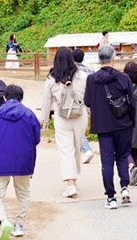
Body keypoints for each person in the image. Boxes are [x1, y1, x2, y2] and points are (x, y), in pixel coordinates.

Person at [0, 84, 40, 240]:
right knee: (23, 193)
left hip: (0, 159)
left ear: (4, 97)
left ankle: (3, 221)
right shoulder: (29, 114)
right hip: (24, 160)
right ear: (21, 98)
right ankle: (19, 225)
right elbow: (36, 138)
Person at [84, 44, 136, 210]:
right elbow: (132, 102)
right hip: (123, 124)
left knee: (107, 162)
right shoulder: (124, 78)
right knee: (122, 156)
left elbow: (87, 101)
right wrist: (133, 122)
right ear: (113, 58)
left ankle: (111, 197)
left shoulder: (91, 79)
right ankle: (125, 187)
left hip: (103, 126)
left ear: (99, 60)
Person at [40, 47, 88, 198]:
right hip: (80, 115)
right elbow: (87, 97)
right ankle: (74, 178)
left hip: (61, 117)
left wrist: (45, 119)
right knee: (77, 148)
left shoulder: (51, 78)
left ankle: (70, 184)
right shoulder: (82, 76)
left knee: (66, 151)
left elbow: (46, 100)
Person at [73, 48, 95, 164]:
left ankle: (86, 150)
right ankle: (83, 150)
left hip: (77, 103)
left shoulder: (71, 72)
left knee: (76, 128)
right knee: (79, 128)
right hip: (90, 103)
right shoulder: (90, 70)